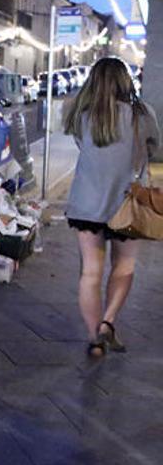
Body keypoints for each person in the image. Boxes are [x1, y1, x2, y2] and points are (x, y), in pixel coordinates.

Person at [63, 57, 161, 357]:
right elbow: (153, 147)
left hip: (86, 205)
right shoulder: (142, 114)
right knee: (124, 267)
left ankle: (94, 339)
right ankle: (108, 322)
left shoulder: (79, 112)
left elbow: (83, 145)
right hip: (127, 203)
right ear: (125, 81)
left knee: (90, 273)